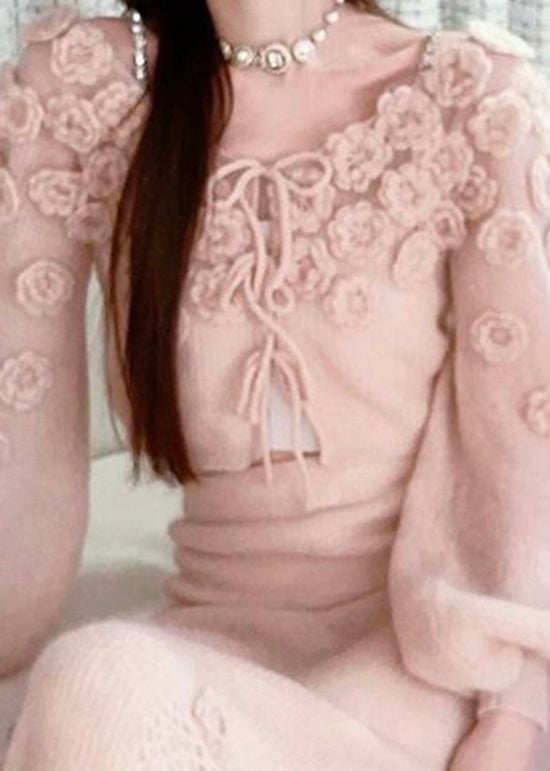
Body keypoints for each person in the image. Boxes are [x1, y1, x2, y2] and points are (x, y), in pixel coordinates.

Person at [1, 0, 550, 767]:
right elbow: (18, 445)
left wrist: (517, 714)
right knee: (89, 686)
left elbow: (524, 434)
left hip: (419, 653)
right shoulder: (84, 88)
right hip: (202, 642)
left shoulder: (466, 93)